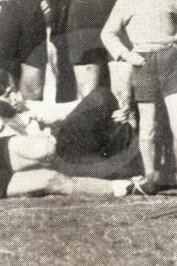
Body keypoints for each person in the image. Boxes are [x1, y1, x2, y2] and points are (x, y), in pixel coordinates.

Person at [100, 0, 177, 194]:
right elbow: (108, 33)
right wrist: (127, 54)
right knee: (148, 124)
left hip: (170, 60)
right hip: (143, 63)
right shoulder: (125, 1)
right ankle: (150, 176)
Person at [0, 71, 138, 199]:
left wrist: (120, 106)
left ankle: (138, 163)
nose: (14, 97)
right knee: (100, 99)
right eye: (7, 94)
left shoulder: (24, 107)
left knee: (103, 100)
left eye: (14, 92)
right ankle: (133, 174)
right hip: (51, 161)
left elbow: (68, 109)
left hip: (64, 148)